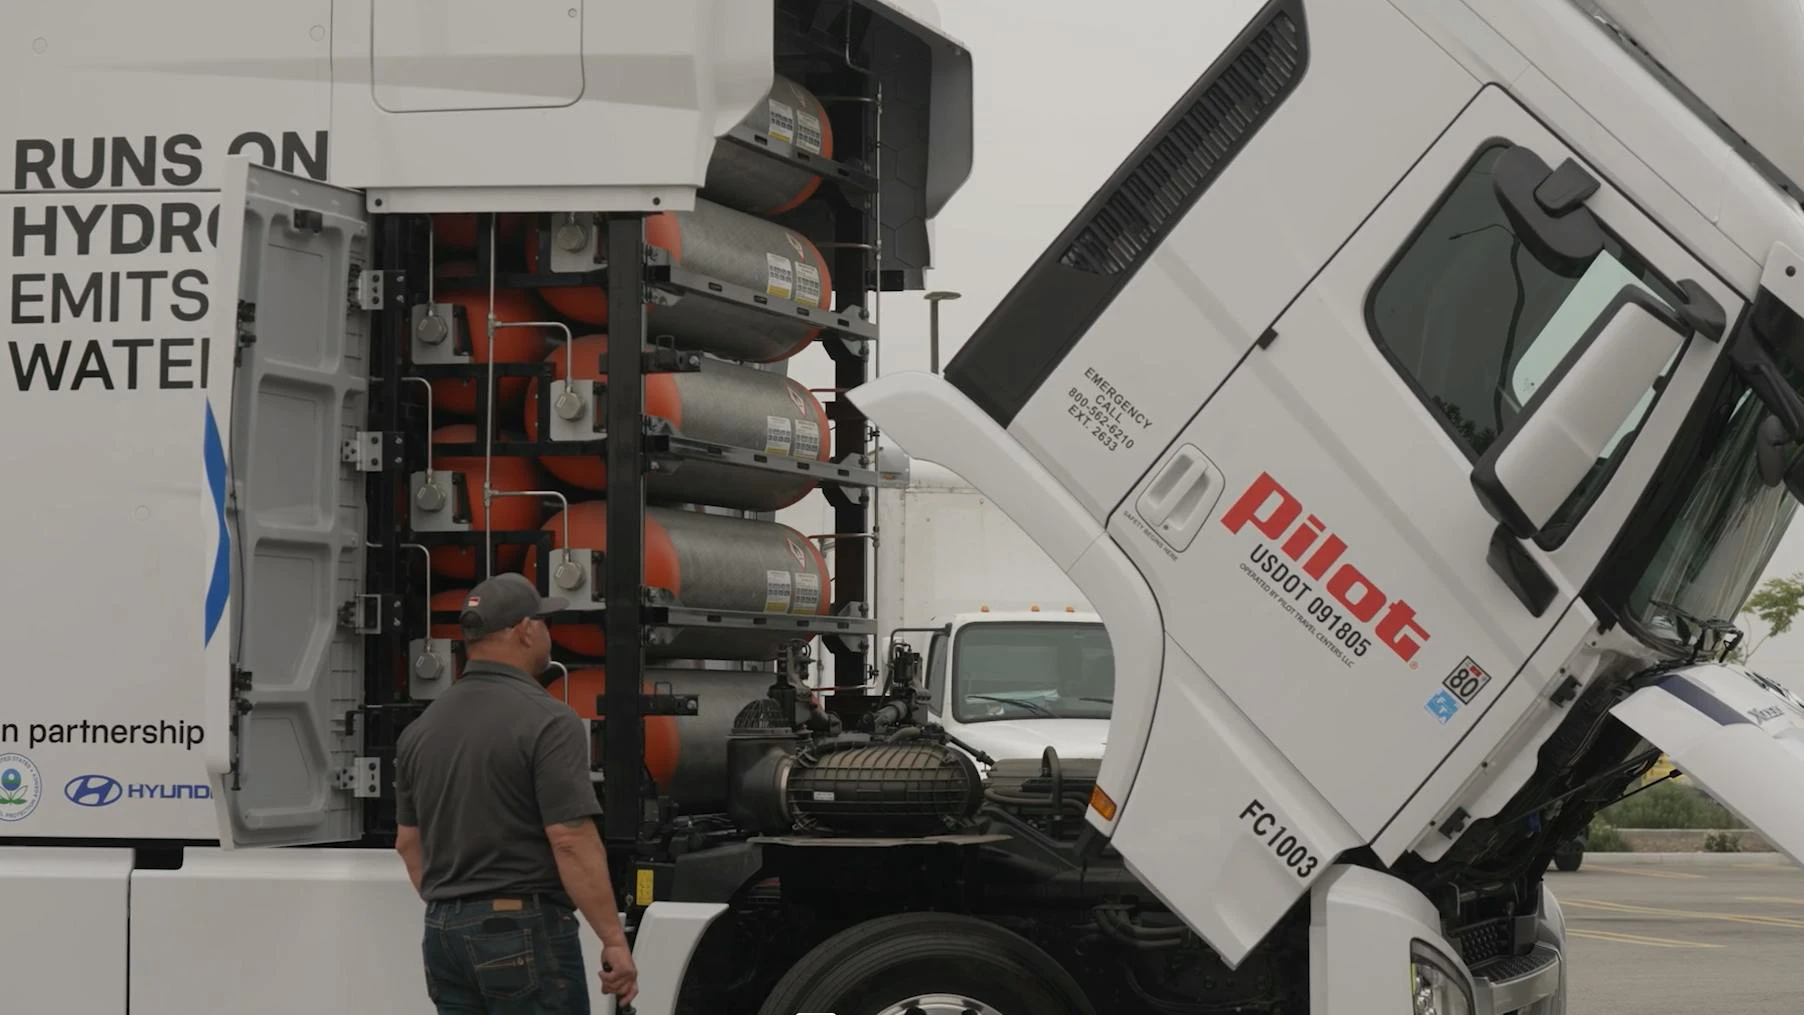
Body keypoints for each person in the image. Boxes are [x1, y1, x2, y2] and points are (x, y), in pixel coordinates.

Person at [393, 571, 639, 1012]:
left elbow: (409, 844)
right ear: (524, 630)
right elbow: (569, 839)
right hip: (521, 927)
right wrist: (613, 940)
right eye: (544, 623)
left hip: (442, 934)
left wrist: (457, 909)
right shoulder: (548, 720)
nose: (548, 633)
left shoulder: (418, 731)